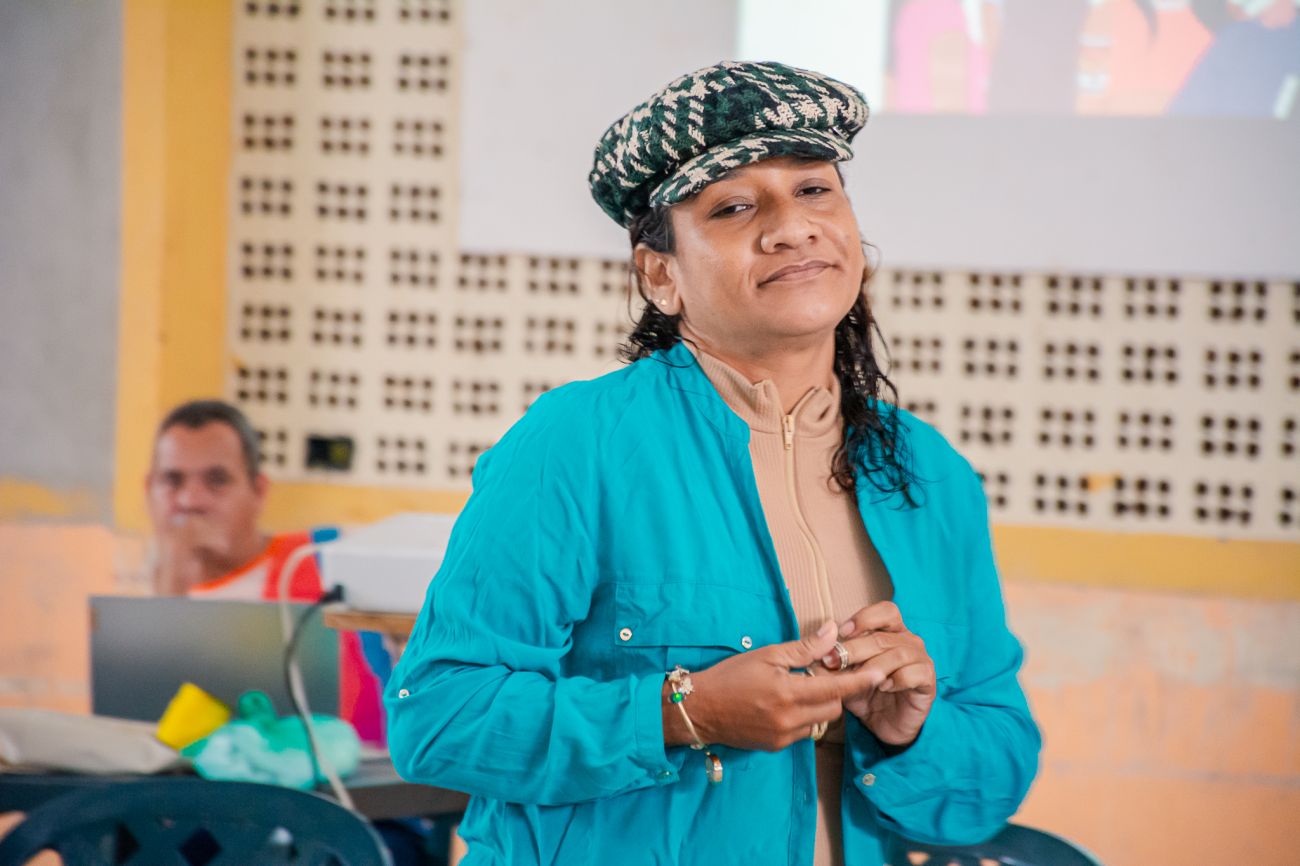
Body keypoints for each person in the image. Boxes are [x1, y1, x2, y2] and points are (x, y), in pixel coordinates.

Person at [386, 61, 1041, 866]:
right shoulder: (577, 442)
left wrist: (912, 732)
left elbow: (995, 775)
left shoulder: (929, 474)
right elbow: (439, 718)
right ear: (660, 274)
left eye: (815, 190)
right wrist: (682, 712)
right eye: (734, 207)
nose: (792, 228)